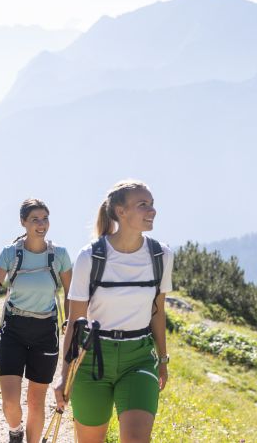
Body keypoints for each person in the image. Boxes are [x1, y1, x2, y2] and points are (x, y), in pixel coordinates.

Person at [55, 180, 173, 443]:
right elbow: (75, 321)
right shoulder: (91, 257)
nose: (152, 210)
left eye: (152, 204)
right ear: (121, 211)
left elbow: (158, 312)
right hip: (92, 358)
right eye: (143, 205)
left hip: (139, 358)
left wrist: (163, 360)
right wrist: (64, 376)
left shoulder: (160, 256)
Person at [0, 198, 72, 443]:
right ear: (23, 222)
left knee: (36, 400)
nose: (41, 224)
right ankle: (15, 430)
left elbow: (70, 294)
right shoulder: (10, 253)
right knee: (10, 401)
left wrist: (70, 321)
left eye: (45, 218)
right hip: (13, 329)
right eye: (35, 219)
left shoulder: (60, 255)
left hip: (46, 332)